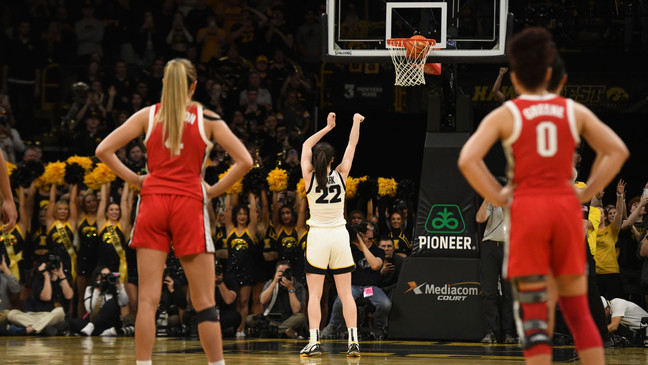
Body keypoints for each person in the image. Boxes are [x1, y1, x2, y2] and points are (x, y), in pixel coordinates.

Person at [458, 27, 628, 365]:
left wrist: (499, 194)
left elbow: (467, 159)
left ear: (518, 81)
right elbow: (617, 151)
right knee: (580, 313)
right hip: (564, 218)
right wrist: (586, 194)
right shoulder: (571, 111)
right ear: (554, 78)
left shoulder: (510, 113)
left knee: (536, 319)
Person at [96, 58, 253, 365]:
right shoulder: (207, 117)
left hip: (152, 202)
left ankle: (143, 364)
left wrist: (136, 179)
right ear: (193, 86)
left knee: (147, 300)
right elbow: (245, 161)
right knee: (205, 302)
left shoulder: (148, 114)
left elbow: (103, 149)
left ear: (164, 84)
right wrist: (211, 190)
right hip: (188, 204)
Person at [299, 112, 364, 357]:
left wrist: (327, 127)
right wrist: (355, 122)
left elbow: (305, 144)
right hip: (339, 236)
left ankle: (314, 340)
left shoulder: (309, 176)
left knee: (314, 294)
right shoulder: (342, 173)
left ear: (315, 160)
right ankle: (353, 341)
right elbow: (352, 144)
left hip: (317, 237)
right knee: (346, 293)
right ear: (332, 159)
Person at [321, 223, 390, 340]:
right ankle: (333, 325)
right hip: (353, 286)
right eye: (363, 231)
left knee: (385, 304)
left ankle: (378, 328)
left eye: (368, 230)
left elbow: (375, 265)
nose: (365, 233)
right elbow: (351, 266)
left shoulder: (379, 251)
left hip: (371, 288)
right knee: (339, 302)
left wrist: (362, 245)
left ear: (373, 234)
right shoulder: (350, 248)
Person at [475, 176, 516, 345]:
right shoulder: (491, 201)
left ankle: (508, 333)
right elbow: (479, 218)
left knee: (508, 293)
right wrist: (487, 198)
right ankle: (490, 332)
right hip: (490, 247)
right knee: (489, 292)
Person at [247, 261, 306, 338]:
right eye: (280, 272)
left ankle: (270, 331)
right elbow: (262, 301)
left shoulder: (297, 286)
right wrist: (274, 282)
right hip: (271, 320)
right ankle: (282, 332)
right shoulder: (271, 283)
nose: (283, 274)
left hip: (289, 320)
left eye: (286, 272)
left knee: (300, 317)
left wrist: (290, 288)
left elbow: (296, 310)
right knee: (250, 319)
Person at [70, 265, 130, 336]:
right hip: (97, 321)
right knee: (72, 322)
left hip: (111, 322)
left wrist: (120, 287)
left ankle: (92, 327)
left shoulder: (115, 287)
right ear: (97, 277)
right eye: (104, 276)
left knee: (111, 302)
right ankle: (104, 332)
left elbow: (124, 302)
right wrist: (98, 289)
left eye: (108, 275)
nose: (106, 278)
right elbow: (90, 310)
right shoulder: (90, 289)